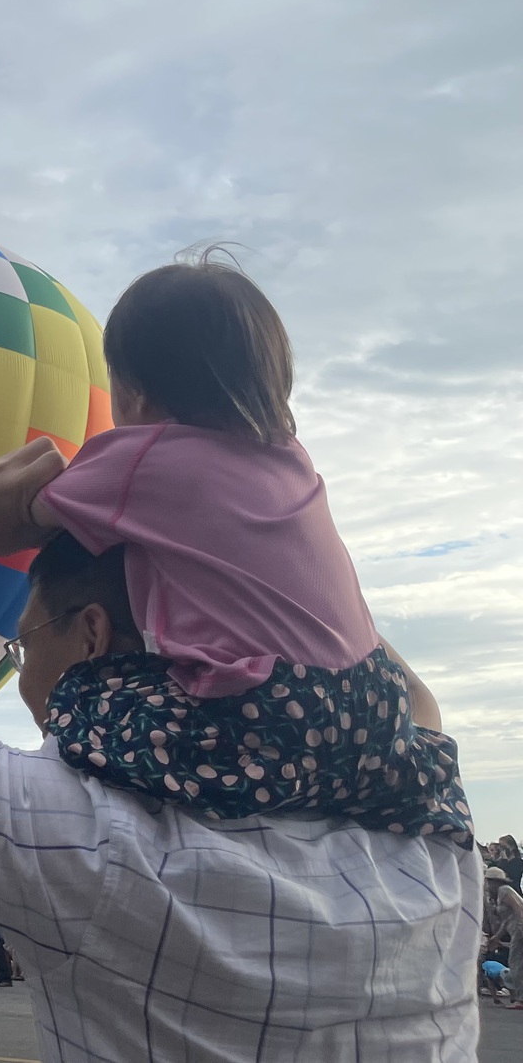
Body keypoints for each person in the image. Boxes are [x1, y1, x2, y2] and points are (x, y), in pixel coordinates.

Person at [0, 407, 482, 1053]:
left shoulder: (75, 837)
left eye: (22, 646)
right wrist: (264, 536)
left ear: (91, 635)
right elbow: (401, 694)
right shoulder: (422, 820)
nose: (19, 674)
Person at [23, 259, 466, 843]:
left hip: (265, 715)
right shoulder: (293, 459)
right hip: (375, 711)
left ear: (131, 390)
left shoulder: (140, 459)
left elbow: (29, 513)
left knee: (83, 705)